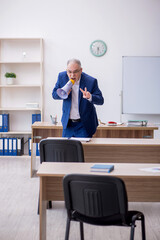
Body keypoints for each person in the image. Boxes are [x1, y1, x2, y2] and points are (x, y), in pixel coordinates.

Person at [52, 59, 104, 138]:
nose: (72, 75)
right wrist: (62, 93)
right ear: (66, 71)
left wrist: (90, 97)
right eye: (69, 72)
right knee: (66, 149)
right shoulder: (62, 77)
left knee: (82, 149)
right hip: (68, 124)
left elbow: (100, 100)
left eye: (75, 72)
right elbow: (54, 95)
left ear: (81, 70)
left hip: (84, 124)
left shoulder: (90, 81)